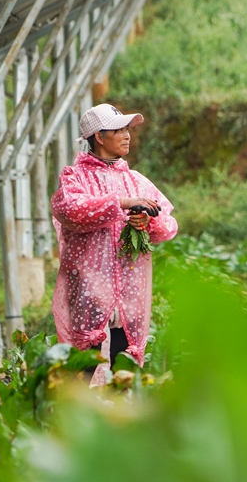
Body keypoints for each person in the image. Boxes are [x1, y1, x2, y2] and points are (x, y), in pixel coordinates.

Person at [51, 103, 178, 384]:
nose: (127, 135)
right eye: (119, 130)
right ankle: (76, 411)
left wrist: (147, 222)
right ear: (99, 136)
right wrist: (120, 203)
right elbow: (70, 209)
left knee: (124, 360)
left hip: (130, 288)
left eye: (127, 129)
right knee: (85, 358)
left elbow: (168, 226)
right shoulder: (75, 177)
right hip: (90, 285)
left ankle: (119, 411)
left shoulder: (137, 181)